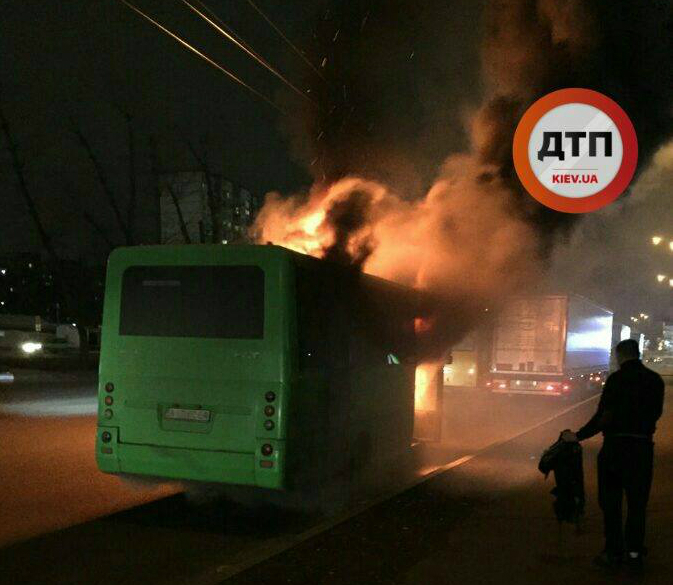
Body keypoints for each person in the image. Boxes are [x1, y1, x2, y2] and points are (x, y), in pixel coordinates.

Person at [561, 339, 664, 571]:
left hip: (615, 449)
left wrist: (578, 436)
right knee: (637, 505)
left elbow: (603, 417)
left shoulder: (616, 381)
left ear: (619, 356)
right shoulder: (655, 381)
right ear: (637, 354)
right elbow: (656, 413)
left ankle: (613, 552)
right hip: (642, 449)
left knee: (611, 503)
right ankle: (635, 554)